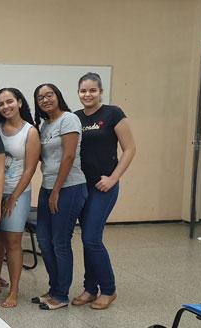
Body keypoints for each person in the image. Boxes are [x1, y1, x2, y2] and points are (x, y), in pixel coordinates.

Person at [72, 72, 136, 310]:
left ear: (100, 92)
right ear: (78, 93)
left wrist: (113, 178)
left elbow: (129, 149)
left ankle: (108, 289)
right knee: (89, 240)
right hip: (81, 186)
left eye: (92, 90)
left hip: (103, 186)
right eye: (83, 91)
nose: (87, 95)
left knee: (91, 238)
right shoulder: (75, 117)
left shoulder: (113, 114)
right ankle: (90, 288)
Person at [31, 83, 87, 310]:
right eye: (40, 97)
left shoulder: (69, 119)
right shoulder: (44, 125)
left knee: (60, 242)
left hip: (69, 188)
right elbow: (44, 159)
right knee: (44, 241)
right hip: (48, 188)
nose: (45, 100)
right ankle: (53, 288)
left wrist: (56, 190)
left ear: (58, 95)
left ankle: (62, 294)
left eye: (49, 95)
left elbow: (69, 155)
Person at [0, 88, 40, 308]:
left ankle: (13, 290)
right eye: (1, 104)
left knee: (13, 242)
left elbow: (30, 169)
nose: (5, 107)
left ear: (19, 102)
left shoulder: (30, 132)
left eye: (9, 101)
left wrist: (13, 197)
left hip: (17, 194)